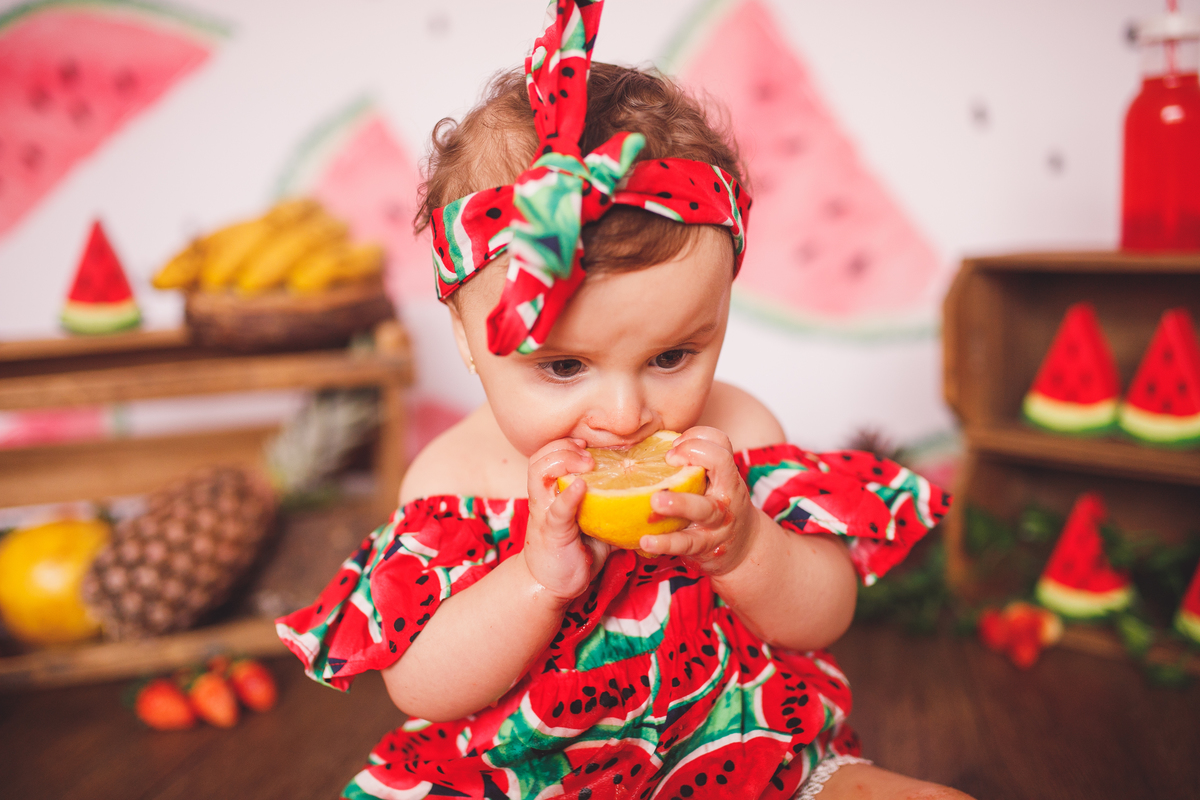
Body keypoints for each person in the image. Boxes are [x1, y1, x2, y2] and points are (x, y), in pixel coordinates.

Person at [278, 3, 970, 798]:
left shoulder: (740, 436)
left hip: (743, 755)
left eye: (673, 355)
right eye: (564, 367)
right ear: (469, 341)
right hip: (524, 780)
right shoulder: (454, 479)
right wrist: (539, 579)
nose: (624, 414)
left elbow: (822, 618)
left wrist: (745, 546)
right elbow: (421, 688)